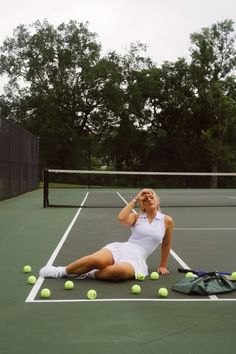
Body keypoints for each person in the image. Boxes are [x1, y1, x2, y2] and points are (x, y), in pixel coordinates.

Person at [39, 188, 174, 281]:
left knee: (119, 272)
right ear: (142, 205)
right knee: (95, 260)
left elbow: (166, 243)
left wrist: (162, 265)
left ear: (157, 200)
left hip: (137, 258)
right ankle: (60, 271)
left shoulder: (167, 220)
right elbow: (121, 218)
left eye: (152, 197)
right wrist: (135, 199)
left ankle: (90, 273)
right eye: (145, 199)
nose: (149, 199)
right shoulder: (137, 217)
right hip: (123, 248)